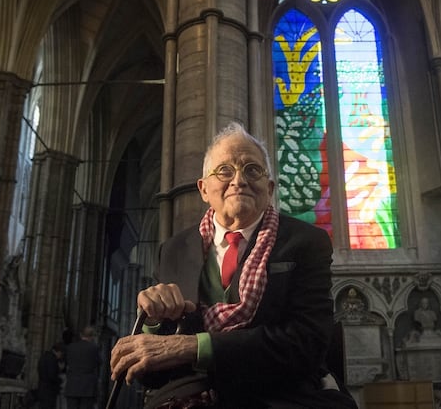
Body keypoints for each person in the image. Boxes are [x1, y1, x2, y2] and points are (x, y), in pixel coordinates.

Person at [110, 122, 357, 408]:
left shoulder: (305, 241)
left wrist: (192, 347)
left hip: (278, 394)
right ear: (204, 188)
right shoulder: (174, 250)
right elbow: (151, 376)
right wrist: (152, 323)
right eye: (224, 170)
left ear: (270, 187)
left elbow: (306, 344)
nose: (239, 180)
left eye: (252, 170)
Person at [64, 326, 100, 409]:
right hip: (88, 387)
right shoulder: (94, 348)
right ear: (92, 336)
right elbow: (98, 363)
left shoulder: (70, 347)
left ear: (81, 335)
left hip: (72, 385)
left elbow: (66, 363)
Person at [37, 342, 65, 409]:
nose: (61, 356)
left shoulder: (44, 356)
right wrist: (60, 380)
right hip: (49, 391)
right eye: (61, 353)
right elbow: (52, 376)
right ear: (58, 352)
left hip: (42, 388)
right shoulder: (52, 359)